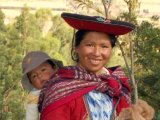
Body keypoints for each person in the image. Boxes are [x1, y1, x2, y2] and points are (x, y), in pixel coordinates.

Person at [38, 12, 135, 120]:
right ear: (76, 47)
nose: (97, 53)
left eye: (104, 46)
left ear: (111, 50)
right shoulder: (60, 88)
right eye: (90, 45)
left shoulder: (118, 84)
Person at [21, 51, 63, 120]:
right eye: (34, 76)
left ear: (54, 68)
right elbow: (31, 117)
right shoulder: (34, 96)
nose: (39, 76)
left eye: (43, 70)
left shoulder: (66, 82)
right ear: (31, 83)